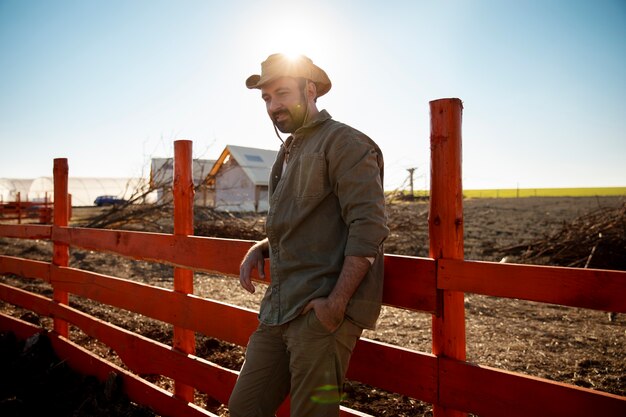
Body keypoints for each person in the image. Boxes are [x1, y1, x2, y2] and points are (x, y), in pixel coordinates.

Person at [228, 53, 389, 417]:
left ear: (310, 90)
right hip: (278, 308)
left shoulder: (346, 143)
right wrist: (264, 246)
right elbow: (307, 220)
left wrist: (334, 306)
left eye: (282, 93)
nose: (273, 105)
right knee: (243, 409)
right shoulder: (288, 151)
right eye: (266, 98)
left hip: (321, 312)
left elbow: (369, 226)